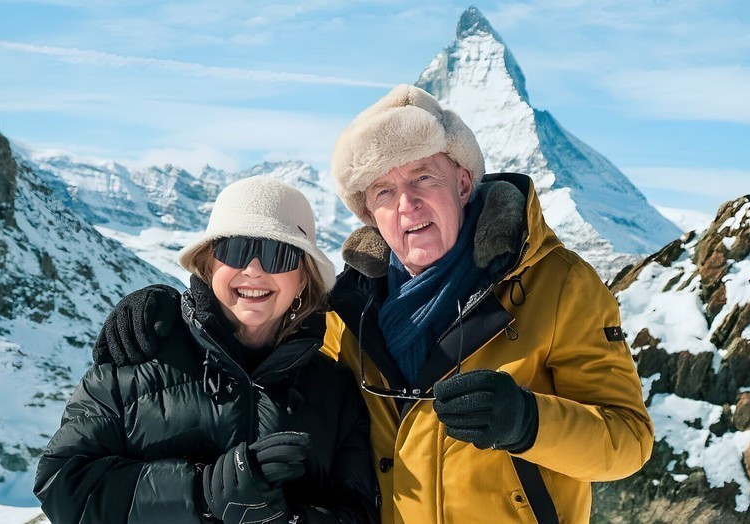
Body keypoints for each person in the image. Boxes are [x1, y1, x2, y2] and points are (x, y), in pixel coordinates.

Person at [99, 85, 654, 523]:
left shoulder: (558, 283)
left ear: (463, 184)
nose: (406, 204)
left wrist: (527, 421)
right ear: (369, 214)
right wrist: (171, 315)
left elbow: (627, 440)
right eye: (384, 192)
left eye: (423, 178)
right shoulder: (348, 308)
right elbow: (258, 352)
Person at [34, 176, 379, 524]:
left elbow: (360, 512)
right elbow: (62, 484)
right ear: (209, 264)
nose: (253, 270)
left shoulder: (335, 391)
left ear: (303, 279)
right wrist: (201, 493)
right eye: (234, 250)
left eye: (279, 254)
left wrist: (286, 520)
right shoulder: (136, 356)